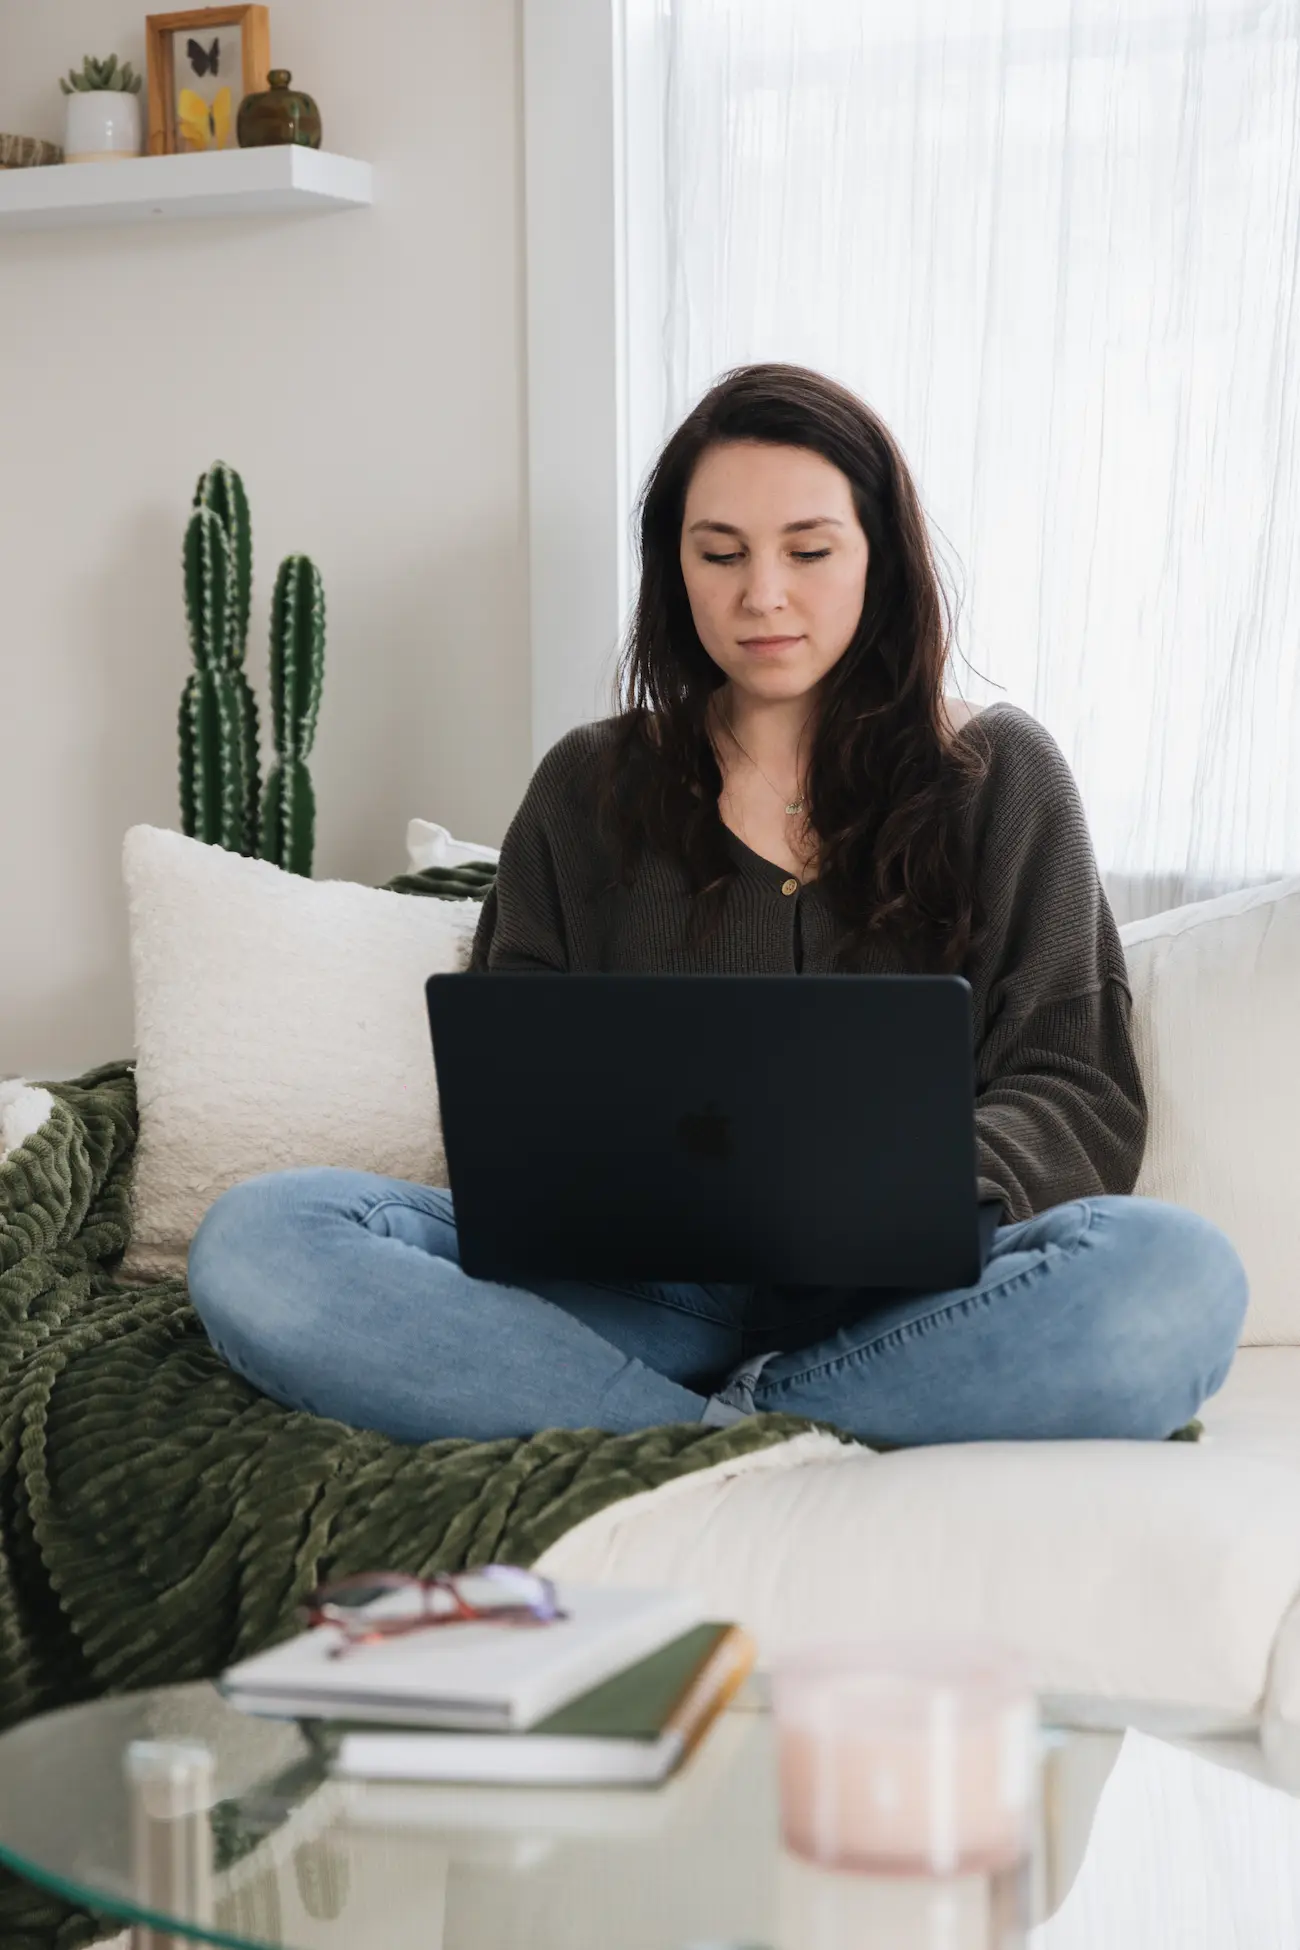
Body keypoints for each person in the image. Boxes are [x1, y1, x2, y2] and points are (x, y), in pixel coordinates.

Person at [188, 362, 1248, 1448]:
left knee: (1176, 1279)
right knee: (260, 1239)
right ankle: (748, 1437)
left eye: (809, 550)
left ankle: (686, 1430)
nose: (762, 595)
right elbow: (513, 1082)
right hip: (631, 1294)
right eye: (720, 554)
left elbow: (1075, 1084)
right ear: (675, 567)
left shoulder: (999, 773)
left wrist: (908, 1192)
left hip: (905, 1297)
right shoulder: (587, 784)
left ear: (878, 558)